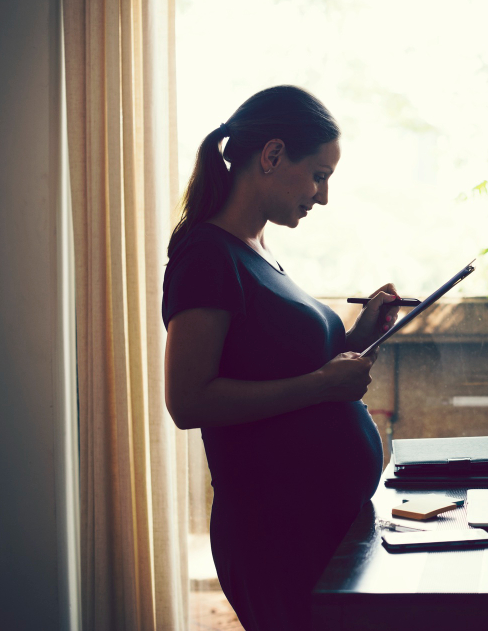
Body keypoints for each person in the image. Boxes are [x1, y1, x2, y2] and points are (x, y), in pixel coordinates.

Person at [162, 85, 397, 630]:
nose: (323, 196)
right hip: (275, 536)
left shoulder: (256, 251)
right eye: (319, 174)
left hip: (318, 528)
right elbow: (188, 400)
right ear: (271, 156)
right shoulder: (206, 256)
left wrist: (359, 337)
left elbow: (284, 368)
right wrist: (321, 383)